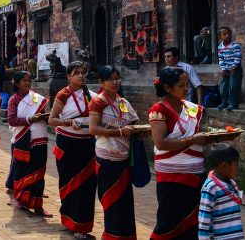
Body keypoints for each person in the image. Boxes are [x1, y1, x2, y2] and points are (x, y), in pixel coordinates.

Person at [149, 66, 209, 239]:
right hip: (172, 176)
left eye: (187, 84)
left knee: (194, 220)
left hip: (195, 172)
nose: (186, 89)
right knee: (168, 221)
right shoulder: (158, 110)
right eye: (181, 85)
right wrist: (192, 140)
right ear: (167, 88)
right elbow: (161, 143)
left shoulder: (191, 108)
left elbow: (197, 133)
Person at [88, 65, 139, 240]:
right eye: (110, 79)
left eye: (117, 78)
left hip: (123, 159)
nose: (115, 82)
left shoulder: (122, 102)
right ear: (101, 82)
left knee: (124, 203)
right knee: (112, 202)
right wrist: (119, 132)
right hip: (107, 159)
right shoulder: (98, 102)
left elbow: (133, 122)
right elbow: (93, 129)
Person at [48, 62, 97, 235]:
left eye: (84, 73)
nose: (81, 76)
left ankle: (83, 225)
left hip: (87, 145)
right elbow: (52, 120)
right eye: (77, 73)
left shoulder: (91, 96)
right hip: (68, 145)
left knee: (87, 186)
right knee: (70, 184)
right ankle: (71, 221)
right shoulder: (63, 95)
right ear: (68, 76)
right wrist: (68, 122)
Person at [6, 71, 52, 217]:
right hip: (22, 138)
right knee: (22, 170)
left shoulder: (36, 99)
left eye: (29, 80)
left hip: (39, 138)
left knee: (38, 172)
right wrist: (30, 119)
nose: (27, 83)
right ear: (17, 83)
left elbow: (47, 117)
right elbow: (12, 120)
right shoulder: (14, 100)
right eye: (24, 80)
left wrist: (45, 118)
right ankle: (21, 200)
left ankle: (38, 205)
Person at [198, 143, 244, 240]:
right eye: (236, 165)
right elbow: (203, 223)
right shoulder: (210, 188)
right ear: (224, 166)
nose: (237, 168)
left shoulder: (232, 183)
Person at [217, 27, 242, 111]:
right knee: (224, 87)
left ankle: (233, 104)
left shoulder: (235, 46)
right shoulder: (220, 47)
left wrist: (233, 67)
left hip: (235, 69)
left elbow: (237, 58)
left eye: (229, 33)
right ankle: (225, 102)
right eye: (224, 34)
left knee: (234, 87)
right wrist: (223, 69)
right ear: (220, 37)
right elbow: (221, 59)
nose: (227, 35)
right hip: (226, 70)